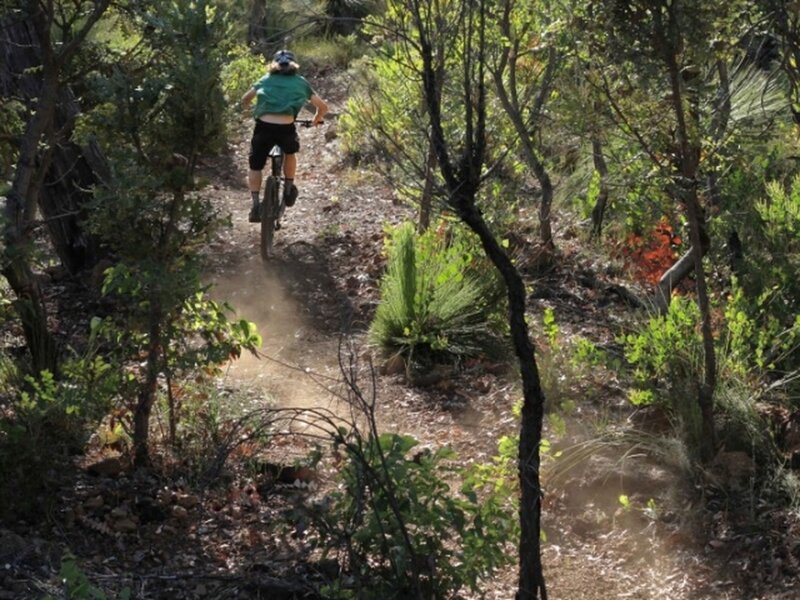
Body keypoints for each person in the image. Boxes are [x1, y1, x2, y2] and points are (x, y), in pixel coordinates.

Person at [241, 49, 328, 222]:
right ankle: (288, 188)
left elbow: (245, 99)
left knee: (255, 165)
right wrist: (316, 120)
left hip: (263, 126)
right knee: (290, 153)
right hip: (286, 127)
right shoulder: (300, 82)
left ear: (274, 65)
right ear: (293, 65)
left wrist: (251, 112)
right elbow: (323, 107)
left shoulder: (265, 80)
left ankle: (256, 205)